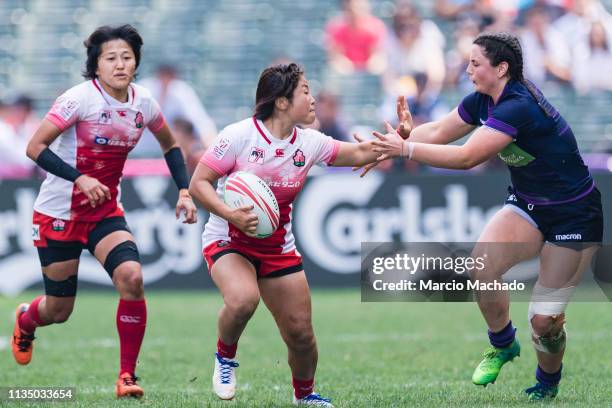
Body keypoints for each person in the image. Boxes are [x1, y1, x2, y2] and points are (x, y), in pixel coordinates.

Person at [359, 32, 603, 401]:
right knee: (480, 267)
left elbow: (467, 157)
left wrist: (405, 149)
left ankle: (547, 382)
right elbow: (440, 131)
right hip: (529, 205)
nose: (467, 69)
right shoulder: (483, 101)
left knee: (544, 322)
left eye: (475, 63)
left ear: (501, 68)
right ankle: (504, 344)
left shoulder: (518, 105)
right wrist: (395, 141)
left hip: (575, 215)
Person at [10, 24, 198, 399]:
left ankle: (126, 376)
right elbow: (35, 147)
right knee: (59, 311)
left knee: (132, 278)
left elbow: (171, 146)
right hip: (58, 213)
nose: (120, 64)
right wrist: (79, 178)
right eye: (110, 58)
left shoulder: (143, 102)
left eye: (127, 57)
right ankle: (26, 319)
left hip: (105, 212)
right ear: (96, 65)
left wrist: (184, 190)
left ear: (136, 63)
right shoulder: (78, 99)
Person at [188, 63, 383, 407]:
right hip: (228, 240)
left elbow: (360, 152)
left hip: (277, 248)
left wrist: (405, 138)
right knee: (243, 300)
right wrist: (231, 214)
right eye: (305, 92)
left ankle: (304, 396)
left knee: (301, 335)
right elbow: (199, 184)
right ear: (281, 102)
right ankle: (224, 358)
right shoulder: (238, 136)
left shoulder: (309, 143)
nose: (312, 99)